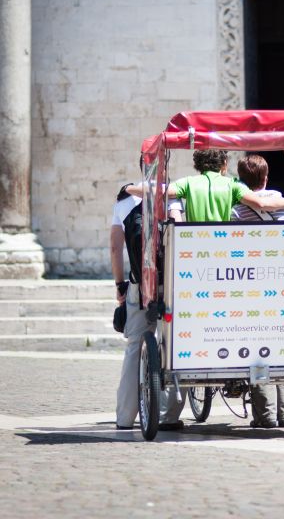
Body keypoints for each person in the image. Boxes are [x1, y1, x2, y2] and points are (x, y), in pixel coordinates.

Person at [111, 177, 186, 431]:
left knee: (135, 347)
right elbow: (181, 231)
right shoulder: (172, 195)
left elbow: (114, 248)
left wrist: (120, 285)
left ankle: (125, 417)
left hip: (140, 283)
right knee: (174, 343)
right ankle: (168, 415)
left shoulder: (123, 203)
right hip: (172, 283)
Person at [231, 154, 284, 429]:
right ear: (266, 177)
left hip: (252, 289)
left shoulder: (236, 212)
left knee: (260, 349)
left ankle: (266, 414)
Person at [127, 149, 284, 218]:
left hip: (194, 247)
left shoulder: (188, 183)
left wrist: (129, 188)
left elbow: (157, 191)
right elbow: (261, 203)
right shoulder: (233, 185)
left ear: (198, 165)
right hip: (223, 247)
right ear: (223, 164)